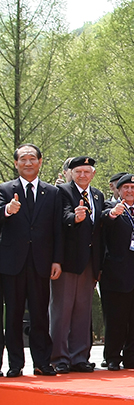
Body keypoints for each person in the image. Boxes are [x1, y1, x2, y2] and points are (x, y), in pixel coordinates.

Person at [0, 144, 63, 377]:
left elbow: (57, 229)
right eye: (23, 159)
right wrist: (7, 210)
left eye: (32, 159)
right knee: (14, 315)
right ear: (16, 163)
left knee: (40, 314)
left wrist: (57, 260)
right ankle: (15, 364)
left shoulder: (53, 192)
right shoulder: (5, 190)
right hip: (11, 263)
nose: (28, 163)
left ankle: (42, 362)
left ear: (40, 161)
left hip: (41, 262)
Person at [51, 156, 104, 374]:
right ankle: (59, 358)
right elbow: (61, 219)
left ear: (92, 174)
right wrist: (75, 217)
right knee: (62, 310)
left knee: (83, 311)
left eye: (87, 171)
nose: (82, 175)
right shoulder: (61, 192)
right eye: (78, 171)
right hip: (68, 261)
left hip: (90, 261)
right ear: (70, 173)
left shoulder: (98, 195)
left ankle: (80, 356)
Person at [100, 174, 134, 371]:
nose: (130, 191)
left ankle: (132, 355)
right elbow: (104, 223)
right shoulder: (110, 208)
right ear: (118, 190)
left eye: (133, 187)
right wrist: (114, 214)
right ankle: (113, 357)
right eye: (126, 188)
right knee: (117, 318)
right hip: (117, 273)